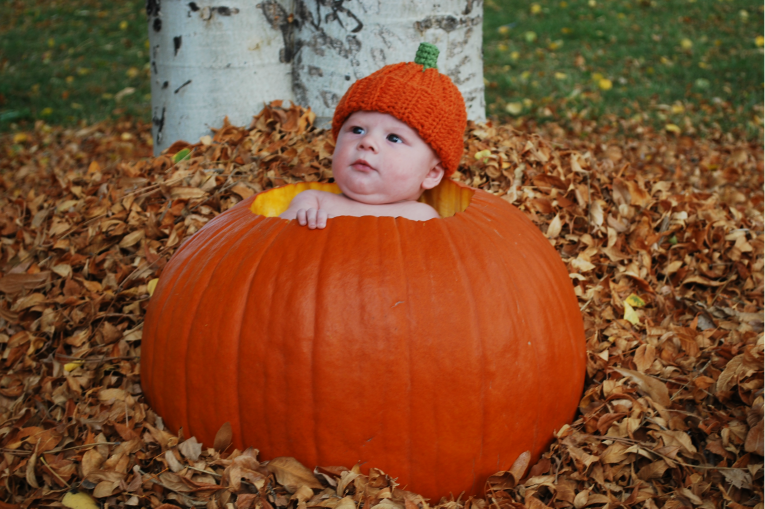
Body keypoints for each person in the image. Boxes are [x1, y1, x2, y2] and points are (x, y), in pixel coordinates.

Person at [279, 42, 467, 229]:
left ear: (431, 174)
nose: (367, 141)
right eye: (357, 130)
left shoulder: (421, 217)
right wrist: (302, 223)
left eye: (393, 138)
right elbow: (273, 242)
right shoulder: (313, 202)